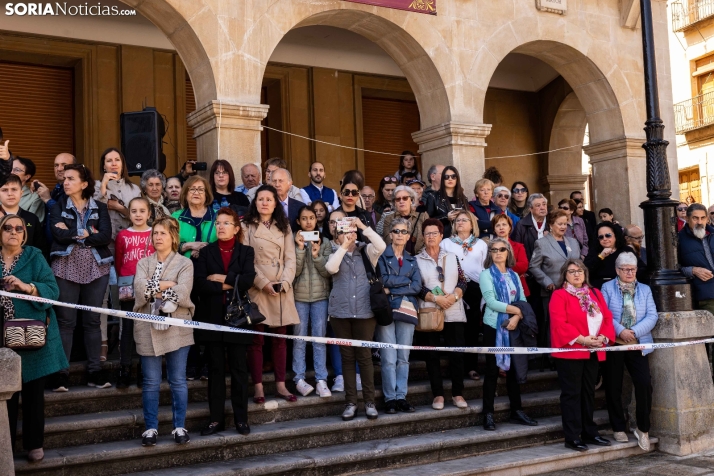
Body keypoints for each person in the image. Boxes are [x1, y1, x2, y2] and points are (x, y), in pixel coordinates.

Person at [3, 214, 67, 463]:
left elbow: (52, 291)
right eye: (7, 227)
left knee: (33, 395)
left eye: (19, 228)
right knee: (4, 395)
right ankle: (4, 445)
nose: (14, 231)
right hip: (2, 340)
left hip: (31, 336)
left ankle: (34, 444)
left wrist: (26, 287)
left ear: (25, 233)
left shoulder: (34, 256)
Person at [50, 164, 113, 392]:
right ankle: (61, 374)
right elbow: (57, 233)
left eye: (70, 178)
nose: (65, 182)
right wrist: (86, 233)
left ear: (84, 184)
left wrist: (72, 234)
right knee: (66, 322)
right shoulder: (57, 206)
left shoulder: (101, 208)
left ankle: (95, 371)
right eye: (64, 178)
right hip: (65, 266)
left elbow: (105, 236)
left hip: (97, 268)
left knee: (92, 321)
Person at [193, 207, 256, 436]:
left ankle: (241, 419)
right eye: (218, 223)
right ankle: (215, 419)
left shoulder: (246, 251)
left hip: (238, 318)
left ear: (236, 228)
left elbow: (249, 280)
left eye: (226, 223)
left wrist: (220, 278)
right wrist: (232, 282)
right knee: (216, 370)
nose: (220, 226)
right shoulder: (206, 252)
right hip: (212, 317)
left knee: (239, 370)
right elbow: (199, 283)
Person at [133, 216, 195, 446]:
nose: (158, 237)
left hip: (177, 327)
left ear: (173, 237)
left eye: (163, 233)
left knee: (178, 380)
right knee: (150, 381)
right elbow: (140, 289)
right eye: (155, 233)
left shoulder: (184, 263)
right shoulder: (143, 263)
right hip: (147, 327)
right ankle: (150, 429)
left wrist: (156, 288)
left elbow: (184, 290)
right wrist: (167, 284)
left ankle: (179, 426)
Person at [241, 184, 300, 403]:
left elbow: (291, 257)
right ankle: (258, 387)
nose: (265, 202)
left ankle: (281, 385)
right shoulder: (246, 226)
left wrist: (285, 281)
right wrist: (263, 283)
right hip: (258, 288)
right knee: (256, 340)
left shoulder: (284, 226)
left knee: (280, 340)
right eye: (260, 199)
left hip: (281, 287)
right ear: (255, 202)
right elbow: (246, 259)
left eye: (269, 199)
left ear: (276, 203)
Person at [550, 259, 615, 452]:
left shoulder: (594, 293)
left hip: (594, 350)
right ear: (565, 275)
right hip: (572, 351)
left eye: (580, 271)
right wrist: (583, 340)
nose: (577, 274)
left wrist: (603, 336)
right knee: (572, 395)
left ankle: (590, 432)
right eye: (572, 272)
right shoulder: (559, 295)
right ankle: (572, 436)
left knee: (588, 393)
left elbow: (607, 317)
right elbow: (559, 323)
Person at [325, 216, 386, 420]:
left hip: (364, 313)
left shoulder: (366, 251)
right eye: (342, 231)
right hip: (340, 314)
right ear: (336, 234)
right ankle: (350, 402)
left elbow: (381, 245)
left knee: (365, 357)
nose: (348, 234)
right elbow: (331, 269)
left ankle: (369, 402)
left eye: (350, 230)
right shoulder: (333, 250)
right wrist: (344, 246)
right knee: (347, 359)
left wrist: (362, 226)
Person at [479, 238, 538, 431]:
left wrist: (516, 317)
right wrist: (517, 312)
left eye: (502, 249)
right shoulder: (486, 275)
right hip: (493, 326)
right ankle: (488, 413)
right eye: (494, 250)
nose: (498, 253)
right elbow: (491, 301)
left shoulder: (514, 275)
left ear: (508, 252)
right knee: (491, 370)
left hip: (513, 326)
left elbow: (522, 299)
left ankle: (516, 410)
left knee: (513, 369)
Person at [602, 252, 657, 452]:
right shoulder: (607, 288)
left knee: (644, 384)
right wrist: (620, 331)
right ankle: (618, 426)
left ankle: (643, 429)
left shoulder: (645, 289)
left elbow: (652, 315)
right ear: (617, 270)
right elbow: (605, 314)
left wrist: (633, 331)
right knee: (614, 385)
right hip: (614, 343)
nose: (629, 272)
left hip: (638, 343)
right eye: (625, 269)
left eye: (632, 269)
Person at [416, 218, 468, 411]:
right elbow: (416, 287)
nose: (431, 237)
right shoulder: (417, 259)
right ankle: (438, 394)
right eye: (427, 233)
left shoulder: (452, 256)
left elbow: (463, 281)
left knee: (457, 354)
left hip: (453, 310)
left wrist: (453, 297)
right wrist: (436, 299)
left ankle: (458, 393)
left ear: (441, 236)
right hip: (430, 311)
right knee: (432, 355)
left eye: (434, 233)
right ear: (423, 236)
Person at [377, 217, 422, 414]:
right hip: (386, 310)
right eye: (396, 231)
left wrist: (393, 287)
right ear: (390, 234)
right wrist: (405, 283)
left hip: (407, 308)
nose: (400, 235)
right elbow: (382, 280)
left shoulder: (413, 259)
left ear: (408, 235)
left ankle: (401, 396)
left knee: (403, 357)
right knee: (388, 356)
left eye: (404, 231)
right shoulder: (381, 256)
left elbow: (418, 286)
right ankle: (390, 399)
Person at [440, 210, 487, 380]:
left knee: (472, 328)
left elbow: (484, 267)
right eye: (458, 220)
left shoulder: (481, 244)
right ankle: (455, 367)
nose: (460, 222)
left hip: (475, 288)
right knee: (455, 329)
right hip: (454, 288)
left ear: (471, 223)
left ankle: (471, 366)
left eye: (464, 220)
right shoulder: (446, 243)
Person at [114, 197, 155, 389]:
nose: (138, 215)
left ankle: (143, 369)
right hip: (128, 287)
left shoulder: (154, 234)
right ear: (129, 213)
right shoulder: (123, 235)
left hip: (149, 288)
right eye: (134, 211)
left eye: (142, 211)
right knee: (128, 328)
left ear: (149, 213)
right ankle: (125, 368)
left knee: (146, 330)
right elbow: (119, 260)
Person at [292, 205, 333, 398]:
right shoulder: (293, 242)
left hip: (320, 298)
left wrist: (316, 255)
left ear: (316, 220)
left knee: (319, 339)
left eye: (312, 218)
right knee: (299, 339)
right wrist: (300, 249)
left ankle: (321, 379)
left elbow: (327, 272)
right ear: (298, 222)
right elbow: (294, 272)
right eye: (304, 218)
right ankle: (299, 378)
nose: (308, 221)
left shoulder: (325, 242)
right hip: (299, 297)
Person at [529, 210, 580, 358]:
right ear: (551, 225)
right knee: (555, 325)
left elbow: (579, 265)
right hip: (553, 291)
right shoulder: (542, 243)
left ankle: (573, 351)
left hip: (574, 291)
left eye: (565, 223)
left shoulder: (574, 242)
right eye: (560, 224)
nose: (563, 226)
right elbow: (533, 266)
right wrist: (546, 282)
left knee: (573, 322)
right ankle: (555, 356)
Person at [96, 148, 142, 240]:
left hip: (130, 241)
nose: (114, 164)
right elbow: (96, 212)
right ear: (104, 166)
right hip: (106, 243)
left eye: (117, 160)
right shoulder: (96, 186)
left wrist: (120, 208)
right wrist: (104, 184)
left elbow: (140, 218)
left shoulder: (135, 189)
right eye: (109, 161)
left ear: (122, 164)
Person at [584, 222, 645, 290]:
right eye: (601, 237)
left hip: (624, 288)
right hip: (600, 289)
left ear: (615, 235)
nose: (604, 238)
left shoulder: (626, 250)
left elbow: (641, 269)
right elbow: (586, 270)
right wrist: (601, 256)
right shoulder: (595, 251)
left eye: (608, 235)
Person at [678, 203, 714, 315]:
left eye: (702, 218)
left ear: (707, 219)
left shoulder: (712, 234)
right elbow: (673, 267)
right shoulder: (679, 239)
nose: (699, 222)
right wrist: (692, 270)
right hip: (705, 296)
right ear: (687, 219)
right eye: (695, 218)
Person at [172, 175, 217, 259]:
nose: (196, 193)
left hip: (212, 268)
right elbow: (167, 246)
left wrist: (204, 249)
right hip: (182, 268)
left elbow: (227, 244)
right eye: (192, 189)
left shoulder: (218, 216)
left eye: (200, 189)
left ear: (206, 194)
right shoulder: (175, 217)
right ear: (185, 193)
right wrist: (187, 246)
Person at [0, 174, 46, 253]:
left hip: (27, 263)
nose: (10, 193)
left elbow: (40, 248)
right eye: (4, 190)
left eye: (14, 189)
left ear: (21, 193)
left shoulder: (32, 218)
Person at [33, 153, 75, 237]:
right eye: (56, 165)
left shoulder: (76, 190)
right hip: (49, 246)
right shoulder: (56, 189)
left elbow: (66, 215)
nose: (59, 169)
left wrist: (48, 200)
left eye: (64, 165)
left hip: (66, 246)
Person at [492, 214, 530, 298]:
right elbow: (489, 267)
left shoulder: (519, 246)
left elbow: (523, 266)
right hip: (497, 287)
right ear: (494, 229)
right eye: (497, 225)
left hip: (518, 287)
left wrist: (501, 267)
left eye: (504, 224)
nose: (501, 228)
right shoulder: (489, 247)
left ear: (510, 228)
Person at [380, 185, 426, 255]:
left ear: (411, 200)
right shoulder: (389, 219)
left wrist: (418, 257)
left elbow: (427, 240)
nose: (401, 201)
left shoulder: (423, 217)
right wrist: (405, 257)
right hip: (398, 258)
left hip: (420, 258)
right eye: (398, 199)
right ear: (395, 203)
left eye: (405, 198)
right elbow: (389, 242)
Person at [428, 165, 470, 238]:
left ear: (457, 179)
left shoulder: (463, 198)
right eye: (446, 177)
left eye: (453, 176)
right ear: (442, 179)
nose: (450, 179)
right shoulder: (433, 197)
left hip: (461, 237)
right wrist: (446, 217)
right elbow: (428, 221)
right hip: (442, 237)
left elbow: (468, 218)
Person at [12, 157, 45, 223]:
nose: (11, 172)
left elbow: (32, 225)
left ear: (27, 177)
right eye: (10, 169)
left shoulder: (34, 199)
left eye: (17, 170)